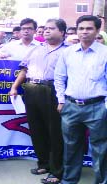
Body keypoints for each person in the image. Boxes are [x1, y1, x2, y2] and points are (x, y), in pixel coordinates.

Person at [9, 19, 67, 184]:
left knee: (55, 132)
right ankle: (44, 164)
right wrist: (14, 87)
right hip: (31, 89)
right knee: (36, 129)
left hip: (53, 92)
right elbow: (24, 70)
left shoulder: (68, 51)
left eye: (52, 28)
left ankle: (56, 171)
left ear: (62, 32)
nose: (47, 31)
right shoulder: (36, 50)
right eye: (46, 28)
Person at [54, 15, 107, 184]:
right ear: (77, 30)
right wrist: (61, 100)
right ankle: (69, 181)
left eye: (89, 28)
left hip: (97, 107)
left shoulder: (104, 53)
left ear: (98, 30)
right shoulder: (67, 53)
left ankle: (101, 181)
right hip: (71, 107)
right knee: (70, 147)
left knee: (100, 149)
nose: (84, 32)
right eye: (81, 28)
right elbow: (59, 78)